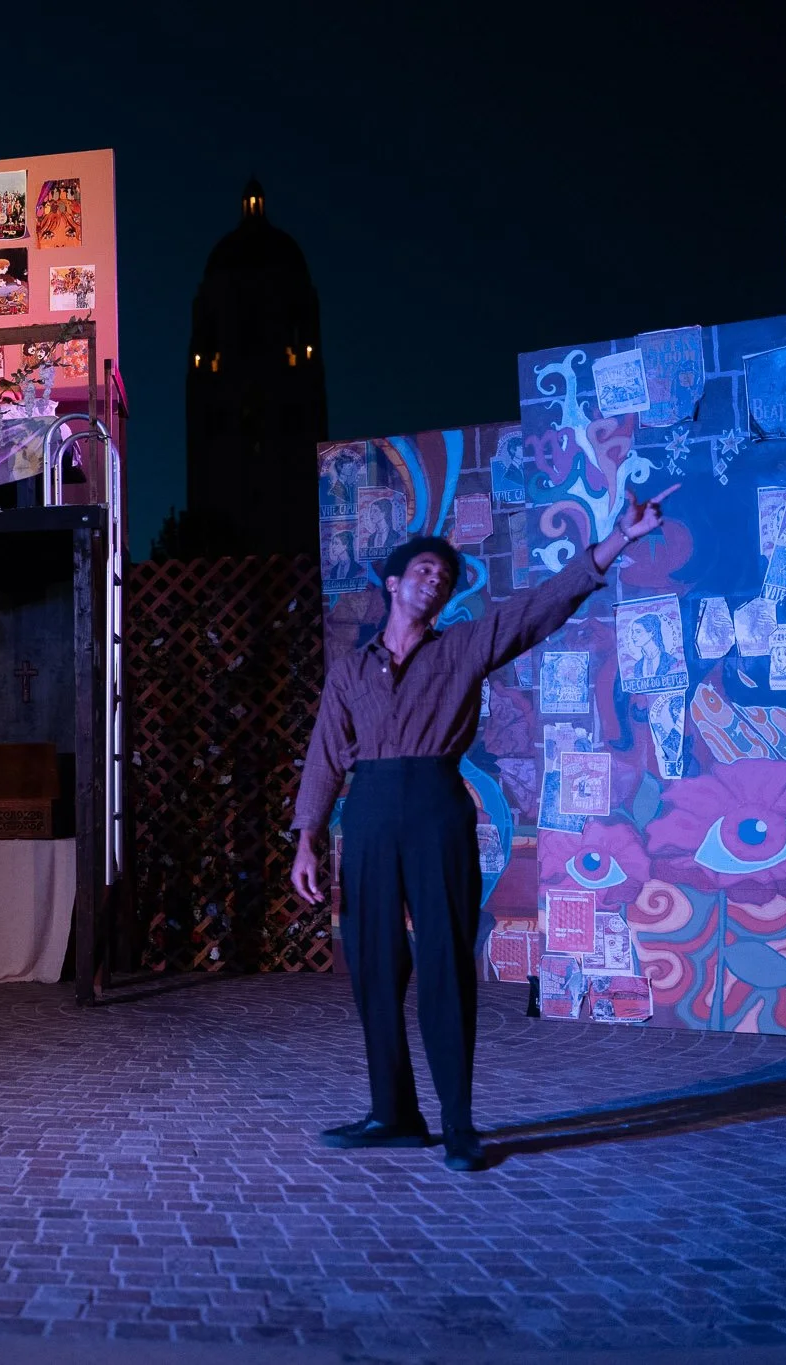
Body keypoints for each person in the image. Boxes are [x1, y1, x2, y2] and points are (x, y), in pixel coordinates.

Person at [289, 482, 679, 1171]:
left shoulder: (461, 648)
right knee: (375, 966)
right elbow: (325, 752)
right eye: (423, 570)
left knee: (444, 961)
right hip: (371, 810)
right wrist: (307, 837)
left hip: (437, 803)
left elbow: (538, 609)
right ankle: (393, 1114)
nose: (435, 580)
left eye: (444, 577)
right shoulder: (351, 670)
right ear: (392, 583)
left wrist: (619, 539)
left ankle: (460, 1123)